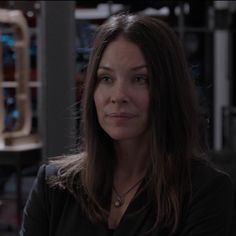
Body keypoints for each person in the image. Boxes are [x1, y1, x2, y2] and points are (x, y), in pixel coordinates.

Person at [20, 13, 233, 236]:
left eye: (139, 79)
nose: (118, 95)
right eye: (106, 79)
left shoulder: (206, 191)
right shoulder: (53, 186)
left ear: (169, 89)